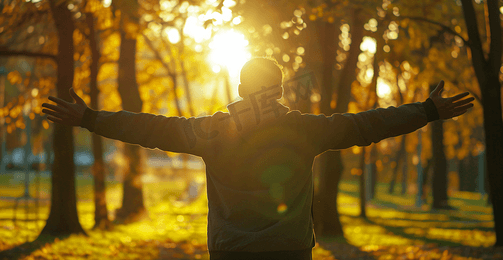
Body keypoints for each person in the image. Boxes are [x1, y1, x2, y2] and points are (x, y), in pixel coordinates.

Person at [42, 57, 474, 260]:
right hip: (287, 252)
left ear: (241, 91)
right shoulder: (302, 130)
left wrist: (91, 118)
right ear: (279, 91)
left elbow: (153, 128)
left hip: (230, 251)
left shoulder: (214, 130)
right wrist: (427, 111)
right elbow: (366, 125)